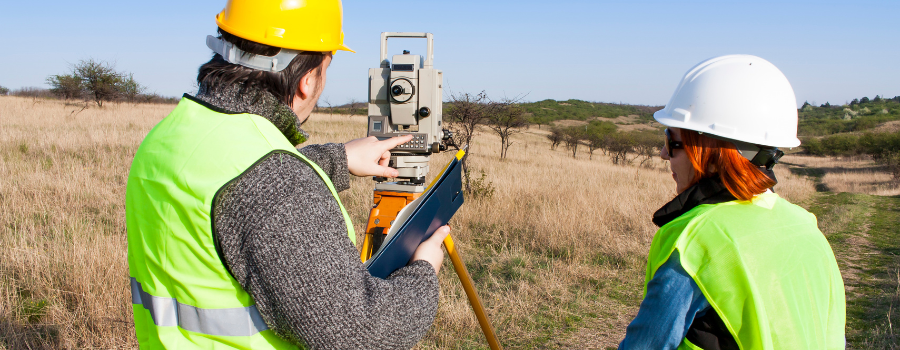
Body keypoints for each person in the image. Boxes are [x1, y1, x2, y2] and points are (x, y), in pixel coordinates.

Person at [125, 1, 449, 348]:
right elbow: (360, 335)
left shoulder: (168, 137)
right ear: (307, 80)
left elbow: (236, 184)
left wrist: (337, 159)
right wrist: (423, 272)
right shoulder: (276, 185)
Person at [619, 55, 845, 349]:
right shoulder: (807, 227)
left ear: (711, 150)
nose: (663, 154)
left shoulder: (694, 240)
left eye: (672, 141)